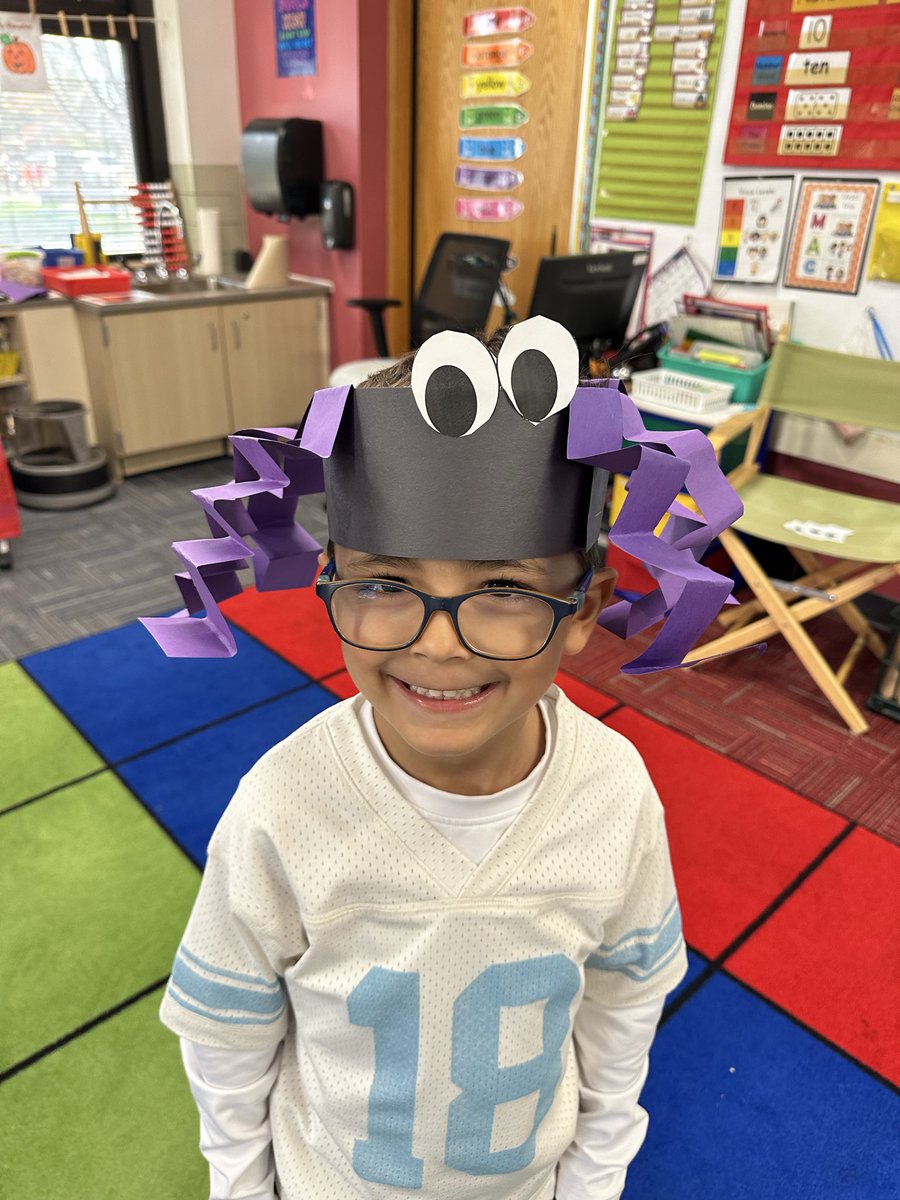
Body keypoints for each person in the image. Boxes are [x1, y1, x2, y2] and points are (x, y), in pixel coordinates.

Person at [144, 317, 741, 1200]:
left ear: (585, 610)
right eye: (385, 586)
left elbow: (622, 1013)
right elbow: (229, 1035)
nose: (439, 645)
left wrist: (593, 1179)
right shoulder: (281, 806)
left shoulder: (614, 794)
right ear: (330, 583)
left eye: (503, 589)